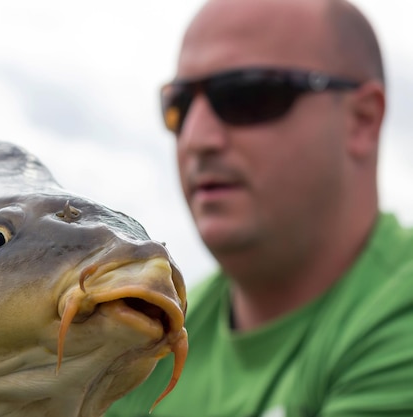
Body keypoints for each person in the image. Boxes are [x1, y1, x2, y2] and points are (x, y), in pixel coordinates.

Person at [106, 0, 413, 416]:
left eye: (245, 94)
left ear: (362, 121)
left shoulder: (398, 314)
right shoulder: (145, 337)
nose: (196, 138)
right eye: (180, 105)